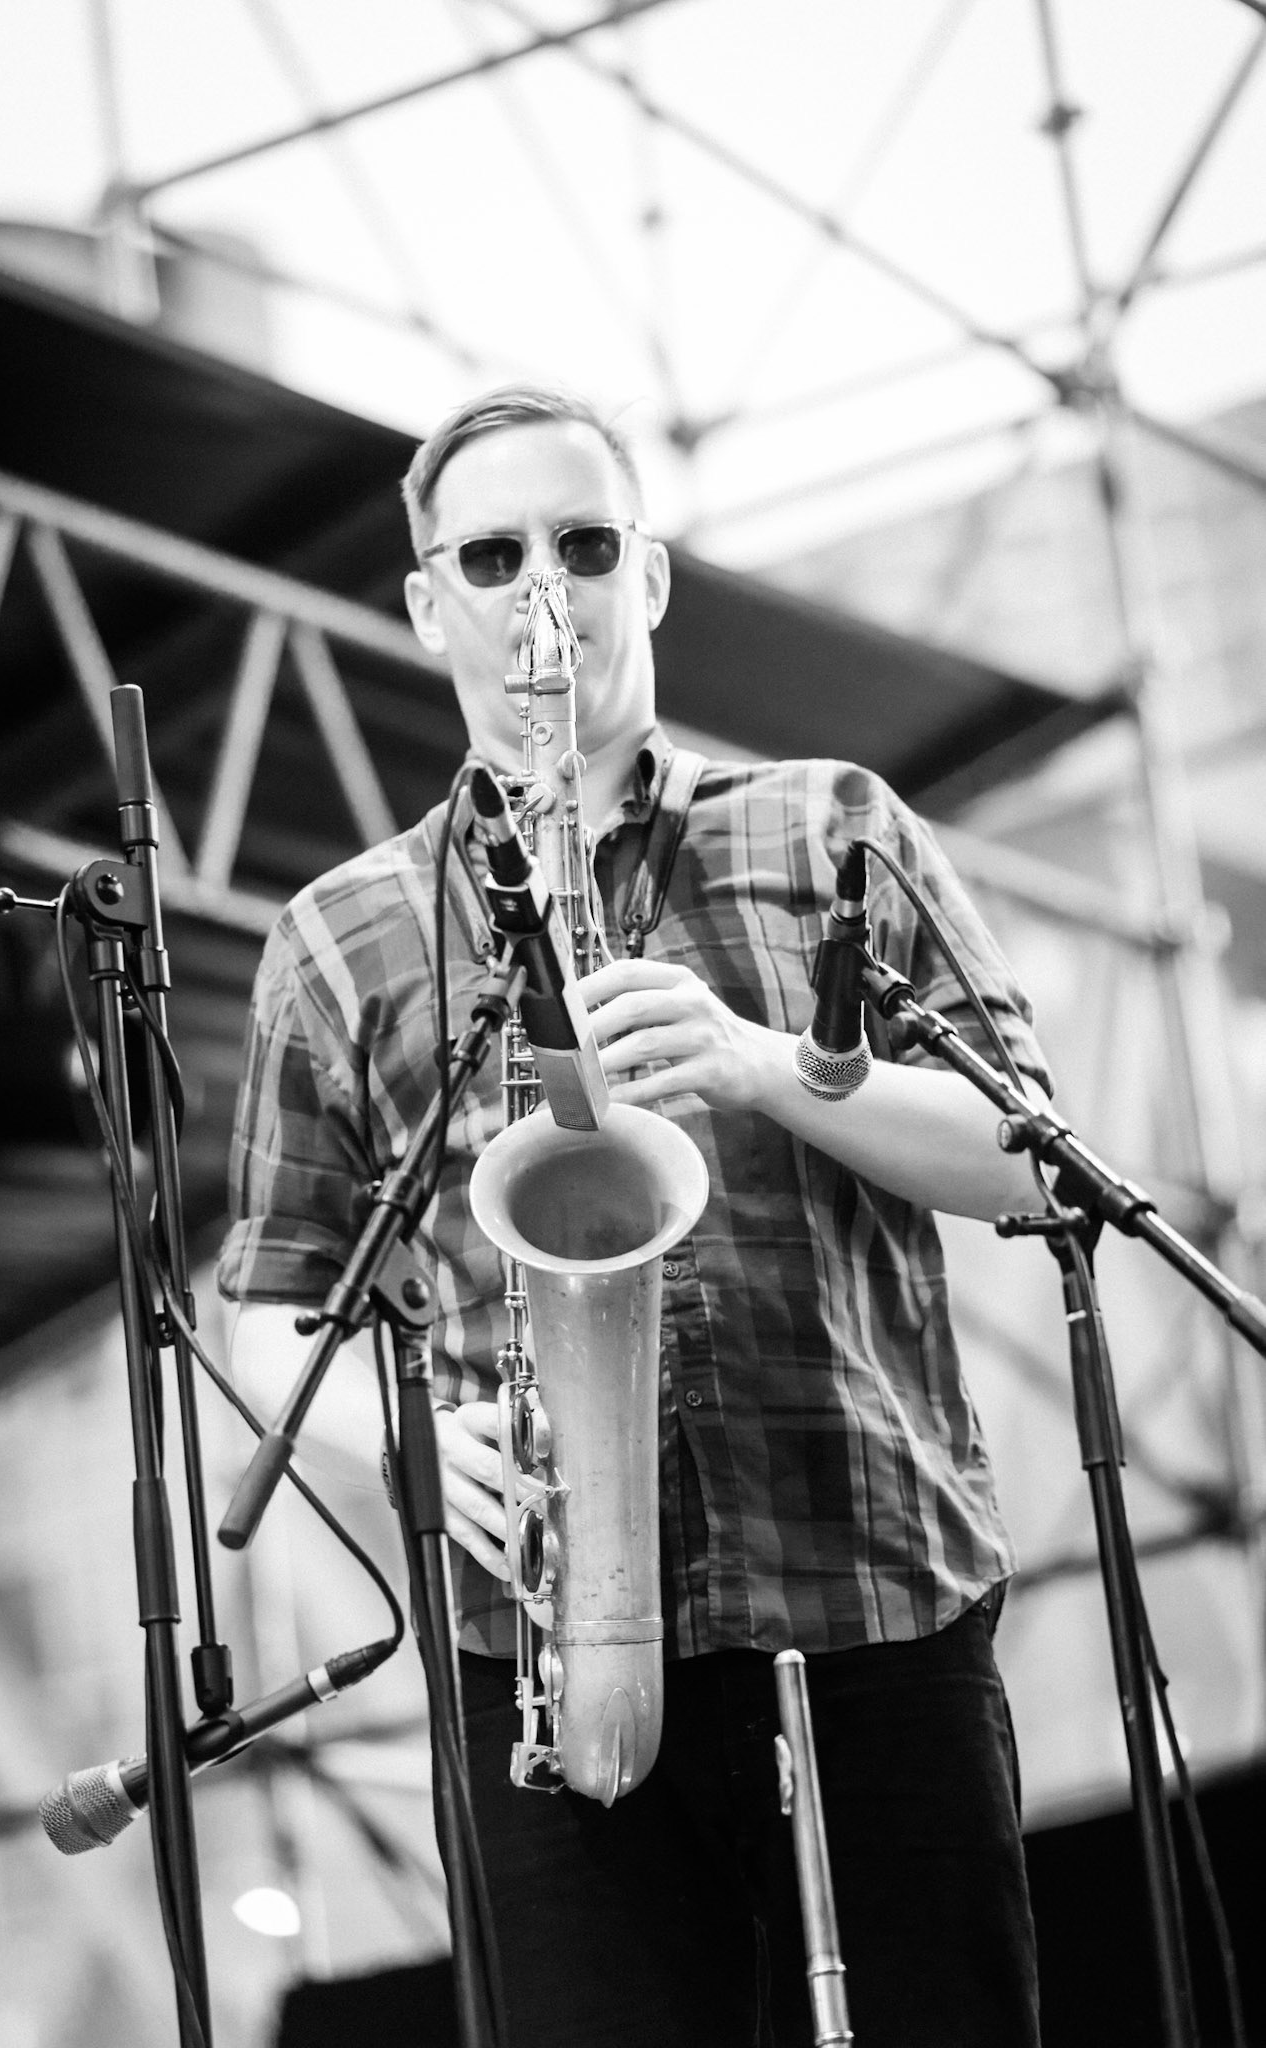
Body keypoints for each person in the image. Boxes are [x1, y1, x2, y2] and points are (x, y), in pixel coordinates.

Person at [219, 384, 1048, 2048]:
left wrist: (761, 1065)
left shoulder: (830, 824)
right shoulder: (336, 934)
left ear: (648, 577)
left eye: (585, 544)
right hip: (537, 1657)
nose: (545, 586)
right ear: (425, 603)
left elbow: (1032, 1162)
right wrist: (399, 1441)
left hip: (870, 1609)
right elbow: (268, 1306)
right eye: (494, 554)